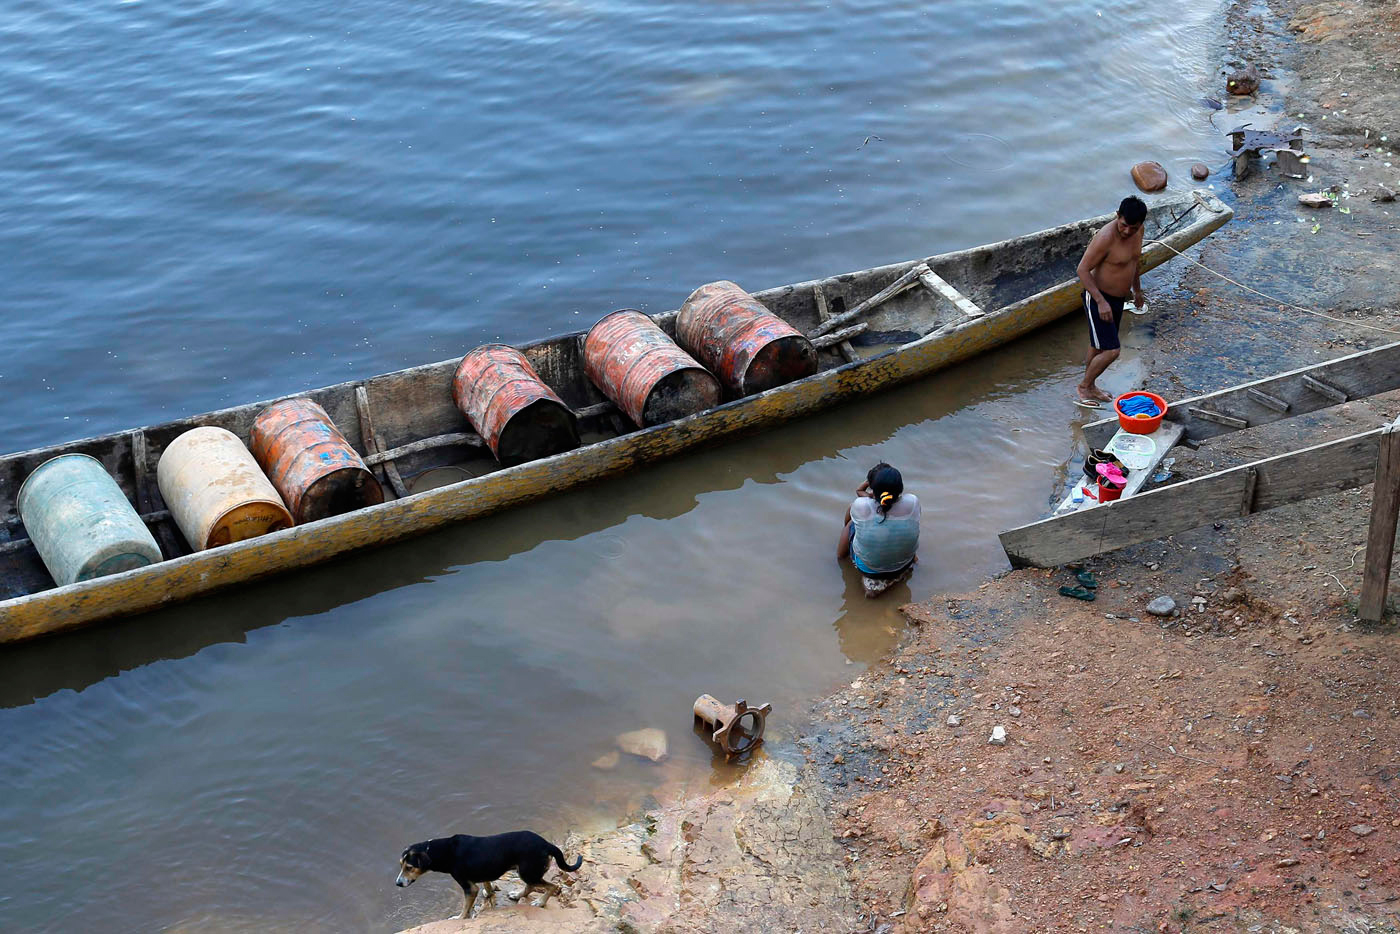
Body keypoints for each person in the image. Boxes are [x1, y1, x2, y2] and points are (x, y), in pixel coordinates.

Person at [1075, 195, 1148, 408]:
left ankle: (1091, 385)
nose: (1127, 231)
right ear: (1117, 216)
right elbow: (1082, 270)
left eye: (1132, 228)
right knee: (1112, 350)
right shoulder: (1105, 237)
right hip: (1098, 297)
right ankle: (1084, 387)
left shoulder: (1138, 232)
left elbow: (1134, 262)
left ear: (1140, 225)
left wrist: (1137, 290)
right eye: (1123, 225)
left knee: (1099, 346)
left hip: (1117, 298)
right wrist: (1100, 302)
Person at [836, 463, 920, 578]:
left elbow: (861, 493)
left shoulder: (860, 506)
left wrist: (869, 485)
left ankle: (841, 556)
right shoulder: (913, 502)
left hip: (868, 569)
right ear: (900, 488)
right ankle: (914, 558)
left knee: (851, 524)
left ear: (872, 488)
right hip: (904, 564)